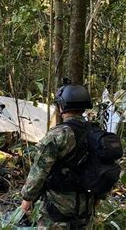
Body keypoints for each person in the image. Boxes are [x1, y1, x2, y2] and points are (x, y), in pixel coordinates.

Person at [20, 82, 95, 228]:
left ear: (62, 106)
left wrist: (27, 197)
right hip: (87, 206)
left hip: (57, 207)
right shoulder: (95, 132)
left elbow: (39, 169)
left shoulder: (59, 134)